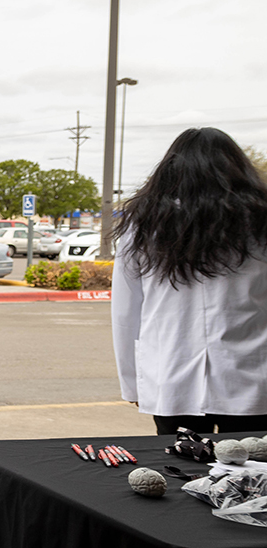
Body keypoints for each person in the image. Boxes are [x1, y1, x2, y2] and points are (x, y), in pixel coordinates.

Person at [112, 127, 267, 435]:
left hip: (171, 376)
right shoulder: (259, 223)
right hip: (252, 377)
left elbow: (126, 312)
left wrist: (132, 383)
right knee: (253, 476)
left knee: (181, 473)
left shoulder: (143, 225)